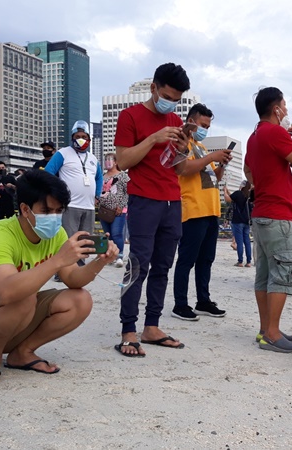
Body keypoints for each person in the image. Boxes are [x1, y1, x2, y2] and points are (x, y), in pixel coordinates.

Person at [0, 169, 119, 386]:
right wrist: (57, 260)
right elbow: (7, 291)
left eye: (59, 211)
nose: (54, 217)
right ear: (25, 209)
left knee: (80, 300)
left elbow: (73, 280)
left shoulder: (56, 235)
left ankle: (23, 353)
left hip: (15, 317)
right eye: (46, 210)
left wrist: (100, 261)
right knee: (24, 294)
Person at [113, 62, 192, 355]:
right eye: (167, 95)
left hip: (172, 201)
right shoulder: (130, 116)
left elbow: (181, 168)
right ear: (154, 88)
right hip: (144, 200)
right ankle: (128, 330)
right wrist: (154, 138)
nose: (170, 103)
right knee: (137, 265)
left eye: (176, 99)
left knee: (163, 266)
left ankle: (152, 326)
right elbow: (122, 161)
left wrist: (182, 147)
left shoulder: (175, 120)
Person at [244, 86, 292, 353]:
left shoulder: (254, 135)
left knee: (264, 275)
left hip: (260, 214)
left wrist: (263, 183)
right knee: (283, 274)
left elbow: (248, 170)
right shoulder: (275, 132)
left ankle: (266, 329)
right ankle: (272, 333)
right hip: (277, 216)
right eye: (285, 105)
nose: (287, 110)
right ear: (276, 109)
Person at [171, 103, 233, 321]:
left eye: (208, 125)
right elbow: (185, 169)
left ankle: (203, 300)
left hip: (210, 210)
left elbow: (213, 177)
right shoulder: (183, 144)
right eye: (203, 124)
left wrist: (221, 163)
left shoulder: (202, 148)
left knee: (206, 259)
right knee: (187, 259)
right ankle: (180, 304)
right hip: (193, 209)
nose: (205, 129)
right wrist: (212, 157)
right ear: (191, 121)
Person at [44, 120, 103, 268]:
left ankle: (79, 268)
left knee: (85, 239)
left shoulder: (93, 158)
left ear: (89, 139)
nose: (80, 138)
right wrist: (56, 193)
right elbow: (48, 173)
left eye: (84, 136)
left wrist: (97, 195)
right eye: (77, 136)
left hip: (88, 206)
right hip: (70, 205)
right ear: (72, 137)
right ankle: (63, 269)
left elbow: (99, 177)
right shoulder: (62, 153)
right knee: (68, 239)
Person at [98, 152, 129, 268]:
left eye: (110, 159)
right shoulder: (102, 176)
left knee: (117, 234)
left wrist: (121, 206)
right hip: (104, 211)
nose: (108, 161)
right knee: (109, 235)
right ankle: (111, 255)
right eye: (106, 159)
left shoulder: (123, 176)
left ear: (116, 162)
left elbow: (128, 192)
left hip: (118, 211)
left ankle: (119, 255)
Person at [223, 180, 252, 267]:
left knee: (239, 242)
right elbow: (233, 197)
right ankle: (249, 262)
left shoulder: (238, 193)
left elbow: (228, 199)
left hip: (237, 221)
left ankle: (240, 261)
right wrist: (228, 191)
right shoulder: (249, 196)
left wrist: (224, 191)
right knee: (247, 241)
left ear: (241, 186)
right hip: (247, 221)